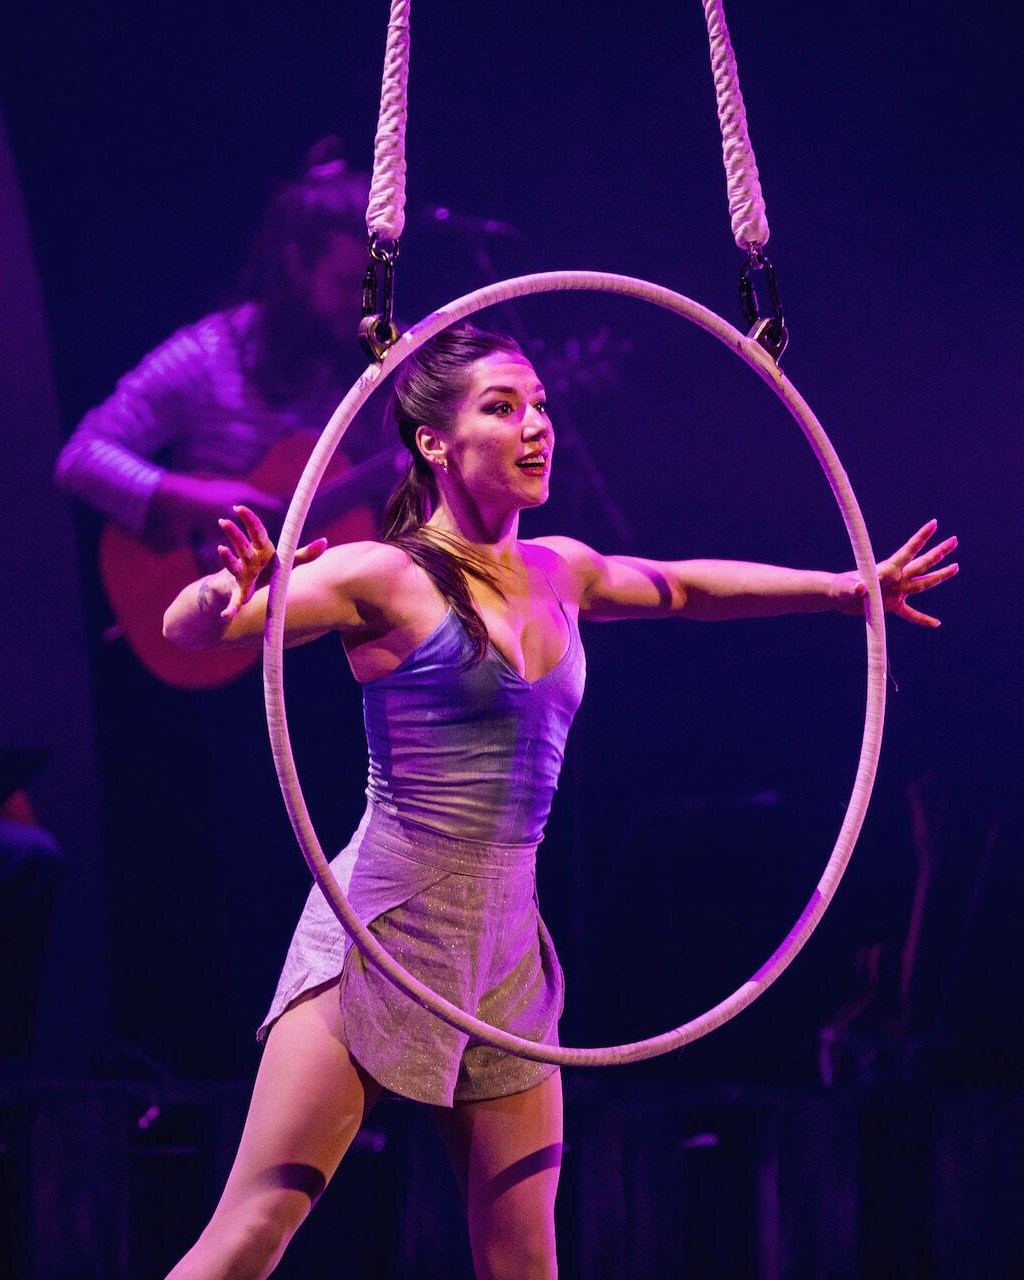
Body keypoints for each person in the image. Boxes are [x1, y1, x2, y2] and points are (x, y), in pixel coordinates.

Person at [161, 323, 958, 1278]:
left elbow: (684, 587)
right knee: (255, 1228)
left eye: (540, 404)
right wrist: (226, 592)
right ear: (433, 443)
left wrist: (840, 588)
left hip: (505, 947)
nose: (537, 425)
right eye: (502, 408)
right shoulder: (385, 572)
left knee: (525, 1260)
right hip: (383, 929)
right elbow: (197, 631)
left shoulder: (559, 570)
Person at [53, 139, 399, 1076]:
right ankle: (255, 1060)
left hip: (324, 644)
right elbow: (85, 455)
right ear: (294, 266)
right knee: (252, 854)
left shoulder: (359, 370)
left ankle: (353, 1052)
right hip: (219, 635)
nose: (351, 302)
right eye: (339, 280)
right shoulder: (207, 357)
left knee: (345, 837)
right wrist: (194, 501)